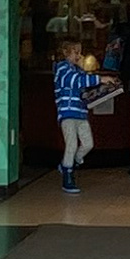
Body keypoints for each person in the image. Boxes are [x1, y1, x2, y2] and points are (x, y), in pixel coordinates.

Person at [52, 39, 100, 190]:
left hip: (81, 113)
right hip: (67, 113)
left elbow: (84, 89)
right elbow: (75, 81)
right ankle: (68, 175)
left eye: (80, 52)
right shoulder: (62, 69)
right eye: (76, 52)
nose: (79, 56)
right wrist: (100, 79)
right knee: (71, 144)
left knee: (88, 144)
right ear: (66, 53)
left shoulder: (79, 71)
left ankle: (72, 162)